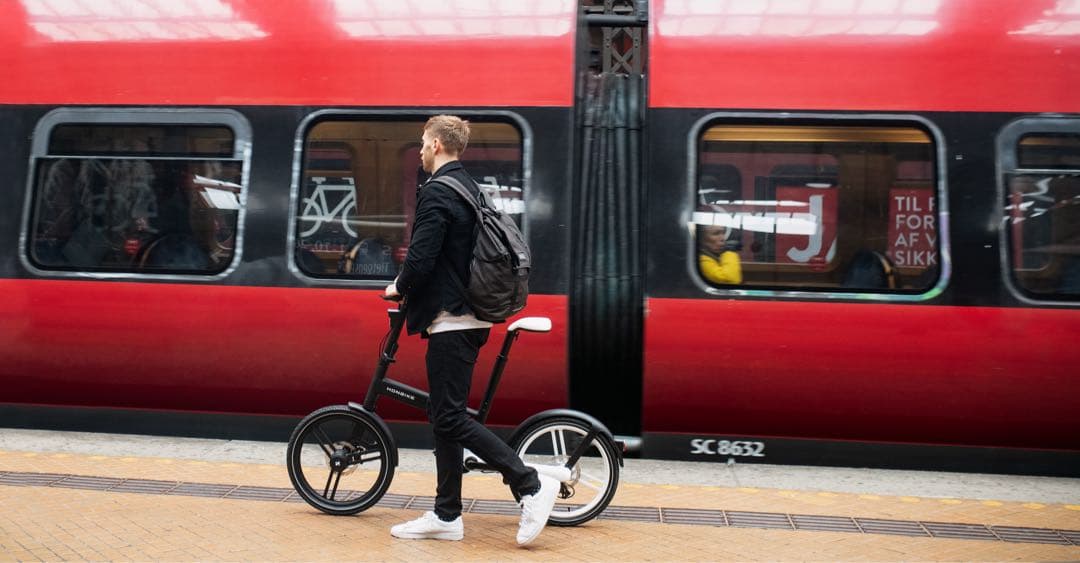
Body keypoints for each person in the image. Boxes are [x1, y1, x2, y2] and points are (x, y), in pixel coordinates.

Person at [383, 115, 559, 545]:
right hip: (469, 315)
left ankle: (530, 484)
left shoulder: (439, 192)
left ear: (439, 144)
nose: (421, 149)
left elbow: (421, 259)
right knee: (445, 417)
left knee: (448, 415)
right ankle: (447, 515)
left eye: (424, 142)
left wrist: (397, 287)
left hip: (453, 319)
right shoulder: (469, 187)